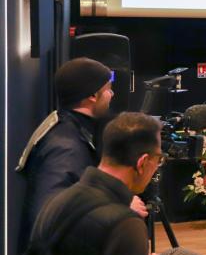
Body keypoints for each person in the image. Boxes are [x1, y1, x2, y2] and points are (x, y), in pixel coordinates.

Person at [26, 112, 163, 255]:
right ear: (142, 162)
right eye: (159, 159)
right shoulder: (126, 225)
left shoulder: (57, 202)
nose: (157, 167)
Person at [17, 57, 148, 239]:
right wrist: (118, 205)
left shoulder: (68, 131)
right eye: (108, 89)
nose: (112, 95)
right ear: (93, 96)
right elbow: (48, 217)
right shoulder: (65, 147)